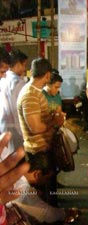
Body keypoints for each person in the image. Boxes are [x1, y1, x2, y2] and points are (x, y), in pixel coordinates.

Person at [17, 58, 65, 206]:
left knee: (49, 192)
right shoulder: (30, 94)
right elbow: (35, 128)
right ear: (48, 75)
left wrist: (54, 116)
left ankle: (54, 216)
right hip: (38, 153)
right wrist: (54, 121)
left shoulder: (35, 93)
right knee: (43, 197)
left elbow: (40, 119)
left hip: (43, 150)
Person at [0, 49, 28, 150]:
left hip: (4, 127)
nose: (25, 69)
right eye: (24, 65)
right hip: (15, 129)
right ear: (17, 64)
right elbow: (18, 110)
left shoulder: (4, 80)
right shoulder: (18, 83)